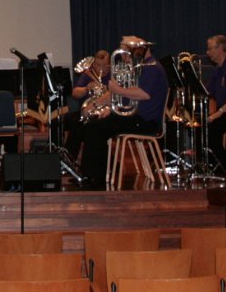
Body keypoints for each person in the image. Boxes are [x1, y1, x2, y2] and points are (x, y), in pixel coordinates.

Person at [78, 37, 169, 189]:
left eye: (126, 52)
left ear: (138, 50)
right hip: (136, 118)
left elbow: (143, 94)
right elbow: (128, 97)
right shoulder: (142, 67)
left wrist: (117, 90)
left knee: (95, 128)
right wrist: (110, 109)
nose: (125, 57)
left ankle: (95, 177)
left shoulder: (152, 67)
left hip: (145, 122)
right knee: (92, 125)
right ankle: (96, 173)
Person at [63, 49, 110, 158]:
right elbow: (74, 94)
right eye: (97, 65)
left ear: (109, 65)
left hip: (105, 112)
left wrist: (104, 92)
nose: (100, 68)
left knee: (81, 127)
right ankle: (68, 158)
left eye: (103, 65)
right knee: (71, 121)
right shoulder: (88, 75)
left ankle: (73, 158)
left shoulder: (113, 76)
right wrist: (86, 88)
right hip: (86, 112)